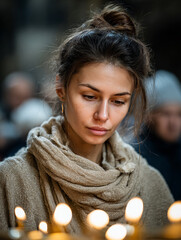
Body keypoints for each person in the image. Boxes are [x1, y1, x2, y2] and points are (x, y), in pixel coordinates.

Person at [0, 4, 173, 233]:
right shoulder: (12, 181)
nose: (102, 115)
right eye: (90, 96)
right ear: (60, 88)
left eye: (118, 101)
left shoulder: (149, 184)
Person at [132, 70, 181, 200]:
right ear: (148, 116)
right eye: (165, 114)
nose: (173, 123)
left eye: (179, 114)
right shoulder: (134, 157)